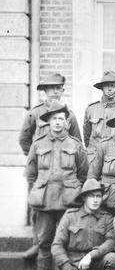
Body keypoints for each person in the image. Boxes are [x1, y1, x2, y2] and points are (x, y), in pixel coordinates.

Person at [23, 101, 87, 270]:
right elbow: (31, 174)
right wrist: (38, 192)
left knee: (69, 243)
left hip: (70, 202)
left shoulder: (75, 145)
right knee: (44, 243)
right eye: (54, 119)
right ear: (48, 122)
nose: (58, 122)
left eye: (61, 118)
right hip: (44, 202)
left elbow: (84, 174)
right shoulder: (38, 144)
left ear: (67, 122)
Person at [19, 72, 82, 260]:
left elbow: (77, 141)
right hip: (42, 170)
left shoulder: (68, 115)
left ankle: (57, 250)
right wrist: (37, 157)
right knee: (38, 211)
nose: (55, 91)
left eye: (58, 88)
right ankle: (37, 244)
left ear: (62, 90)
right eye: (51, 88)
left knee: (64, 216)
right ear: (44, 91)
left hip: (64, 172)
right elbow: (24, 139)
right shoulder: (35, 113)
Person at [51, 179, 115, 270]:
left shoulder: (107, 218)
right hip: (74, 267)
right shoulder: (70, 216)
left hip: (96, 265)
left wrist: (90, 255)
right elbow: (57, 245)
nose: (95, 200)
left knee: (112, 258)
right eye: (91, 196)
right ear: (83, 198)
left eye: (98, 196)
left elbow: (111, 241)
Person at [84, 71, 115, 159]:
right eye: (106, 86)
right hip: (94, 155)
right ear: (102, 88)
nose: (109, 89)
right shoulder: (91, 109)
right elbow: (87, 135)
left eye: (113, 86)